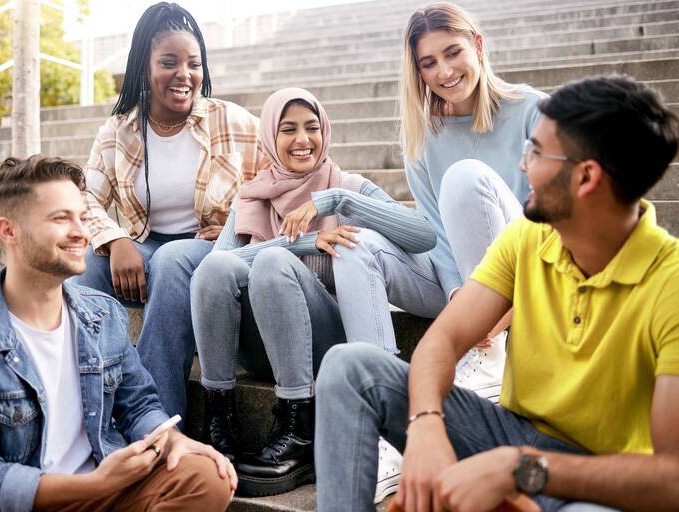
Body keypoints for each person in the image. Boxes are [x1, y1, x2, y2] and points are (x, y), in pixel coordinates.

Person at [314, 75, 679, 512]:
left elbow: (670, 479)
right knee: (349, 367)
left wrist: (521, 468)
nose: (523, 165)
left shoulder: (669, 284)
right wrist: (427, 423)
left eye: (536, 151)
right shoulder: (528, 235)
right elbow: (443, 341)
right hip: (506, 431)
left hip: (601, 477)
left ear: (586, 177)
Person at [0, 156, 237, 512]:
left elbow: (138, 404)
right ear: (9, 231)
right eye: (60, 218)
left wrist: (169, 438)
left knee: (206, 475)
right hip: (28, 502)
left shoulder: (102, 314)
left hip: (102, 488)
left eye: (82, 217)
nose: (81, 233)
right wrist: (94, 484)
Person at [190, 88, 436, 497]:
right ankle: (221, 423)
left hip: (322, 344)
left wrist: (338, 202)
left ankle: (300, 431)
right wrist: (302, 243)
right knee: (218, 266)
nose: (303, 139)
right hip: (260, 349)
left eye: (312, 127)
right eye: (288, 129)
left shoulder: (348, 186)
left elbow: (423, 235)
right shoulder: (252, 197)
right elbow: (213, 272)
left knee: (271, 263)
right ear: (270, 136)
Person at [333, 2, 546, 401]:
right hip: (459, 286)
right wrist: (458, 297)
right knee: (354, 245)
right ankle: (383, 396)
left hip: (528, 275)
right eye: (429, 63)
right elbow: (435, 231)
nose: (444, 72)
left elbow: (556, 222)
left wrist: (495, 308)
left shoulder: (534, 111)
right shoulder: (422, 136)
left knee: (465, 177)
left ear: (477, 46)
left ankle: (491, 357)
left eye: (453, 53)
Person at [71, 2, 266, 423]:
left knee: (172, 259)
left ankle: (156, 421)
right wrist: (116, 239)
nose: (185, 75)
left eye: (194, 64)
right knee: (86, 268)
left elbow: (286, 176)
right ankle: (92, 403)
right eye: (170, 62)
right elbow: (83, 198)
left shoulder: (230, 120)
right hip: (144, 245)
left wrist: (238, 226)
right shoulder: (118, 130)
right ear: (145, 67)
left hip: (205, 249)